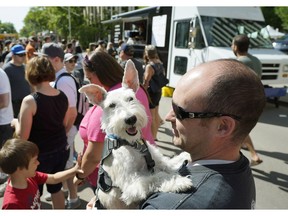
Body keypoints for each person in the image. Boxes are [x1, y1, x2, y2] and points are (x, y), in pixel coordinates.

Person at [139, 59, 266, 209]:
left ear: (223, 126)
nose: (168, 117)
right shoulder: (238, 167)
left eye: (179, 111)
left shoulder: (172, 206)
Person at [73, 51, 154, 192]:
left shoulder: (108, 104)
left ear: (100, 74)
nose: (90, 83)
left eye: (90, 78)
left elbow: (93, 156)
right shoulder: (133, 90)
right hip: (148, 162)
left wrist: (80, 176)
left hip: (117, 179)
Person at [11, 55, 69, 209]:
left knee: (34, 194)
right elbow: (63, 124)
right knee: (56, 189)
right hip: (60, 150)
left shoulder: (30, 101)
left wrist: (16, 122)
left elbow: (23, 137)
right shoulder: (62, 96)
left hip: (38, 157)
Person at [35, 43, 80, 209]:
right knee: (63, 167)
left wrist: (62, 133)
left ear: (56, 59)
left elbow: (72, 112)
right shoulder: (59, 78)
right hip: (63, 133)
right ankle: (68, 195)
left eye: (45, 59)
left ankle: (72, 198)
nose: (41, 62)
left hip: (64, 132)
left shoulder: (63, 80)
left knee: (66, 166)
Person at [0, 138, 82, 209]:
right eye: (34, 161)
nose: (38, 163)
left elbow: (53, 178)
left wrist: (74, 170)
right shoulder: (11, 204)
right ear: (19, 168)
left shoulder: (31, 176)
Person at [231, 34, 263, 166]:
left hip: (240, 100)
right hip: (255, 99)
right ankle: (237, 153)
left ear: (236, 47)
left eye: (232, 44)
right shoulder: (256, 60)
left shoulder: (239, 63)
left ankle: (253, 155)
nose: (231, 47)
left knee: (238, 128)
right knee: (239, 128)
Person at [2, 44, 32, 118]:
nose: (23, 56)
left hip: (27, 102)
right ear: (13, 55)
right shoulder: (6, 69)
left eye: (24, 54)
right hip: (14, 104)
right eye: (20, 55)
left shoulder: (26, 67)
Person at [143, 45, 165, 141]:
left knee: (151, 116)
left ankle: (153, 137)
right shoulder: (160, 63)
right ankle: (154, 135)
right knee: (155, 113)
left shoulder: (149, 66)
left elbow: (146, 80)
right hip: (158, 91)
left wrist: (143, 89)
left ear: (147, 54)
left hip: (151, 92)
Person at [0, 68, 14, 197]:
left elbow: (4, 101)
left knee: (7, 158)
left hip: (4, 122)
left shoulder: (0, 74)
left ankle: (9, 185)